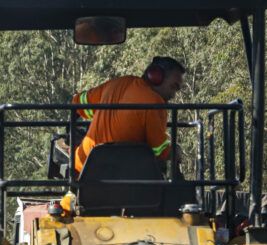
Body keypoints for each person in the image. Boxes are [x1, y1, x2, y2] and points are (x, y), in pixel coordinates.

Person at [60, 56, 186, 214]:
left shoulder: (117, 83)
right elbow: (159, 153)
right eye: (173, 87)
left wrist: (74, 129)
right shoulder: (155, 103)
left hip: (84, 177)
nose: (173, 94)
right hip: (124, 185)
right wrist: (175, 152)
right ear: (156, 76)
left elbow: (78, 103)